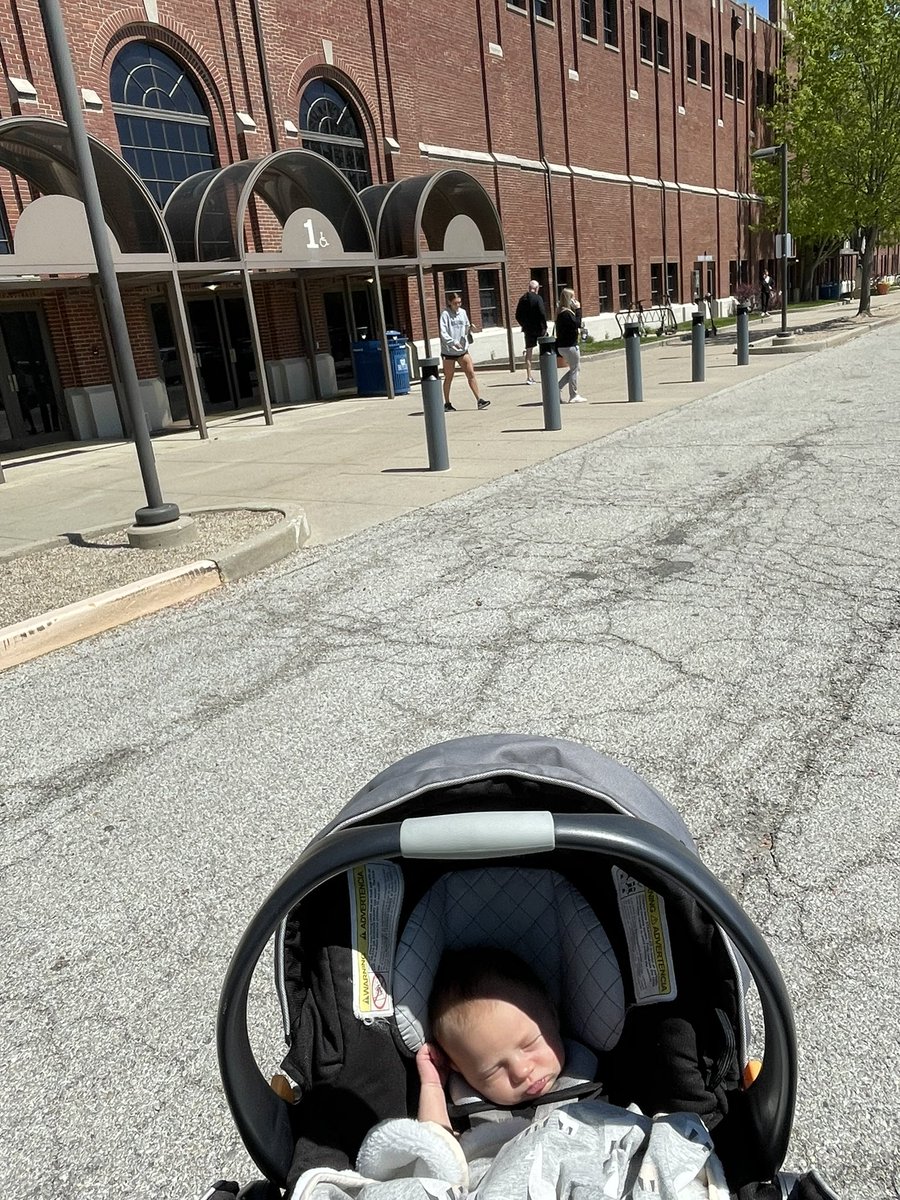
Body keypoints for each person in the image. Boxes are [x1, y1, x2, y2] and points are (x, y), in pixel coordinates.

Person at [416, 946, 569, 1130]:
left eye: (530, 1044)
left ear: (553, 1014)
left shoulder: (604, 1084)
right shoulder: (462, 1117)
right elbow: (433, 1153)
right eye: (493, 1070)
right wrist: (432, 1087)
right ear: (459, 1069)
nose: (522, 1071)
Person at [439, 292, 490, 412]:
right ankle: (447, 403)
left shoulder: (463, 312)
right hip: (449, 352)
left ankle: (479, 400)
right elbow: (443, 332)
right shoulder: (445, 314)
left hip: (462, 350)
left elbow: (466, 326)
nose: (458, 305)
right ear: (449, 303)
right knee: (449, 377)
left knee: (471, 373)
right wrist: (452, 342)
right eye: (455, 303)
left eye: (459, 303)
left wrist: (470, 328)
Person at [554, 288, 586, 403]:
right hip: (569, 346)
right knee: (575, 370)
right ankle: (573, 395)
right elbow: (576, 324)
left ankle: (557, 388)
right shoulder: (566, 313)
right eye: (573, 297)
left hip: (563, 346)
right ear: (568, 299)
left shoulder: (561, 312)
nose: (575, 300)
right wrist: (578, 309)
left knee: (575, 368)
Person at [514, 279, 548, 384]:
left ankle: (529, 376)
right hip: (539, 329)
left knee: (528, 353)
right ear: (537, 288)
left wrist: (524, 324)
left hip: (528, 330)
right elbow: (542, 313)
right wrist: (544, 327)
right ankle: (546, 374)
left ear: (529, 288)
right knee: (545, 351)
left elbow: (517, 315)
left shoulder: (522, 299)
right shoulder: (538, 298)